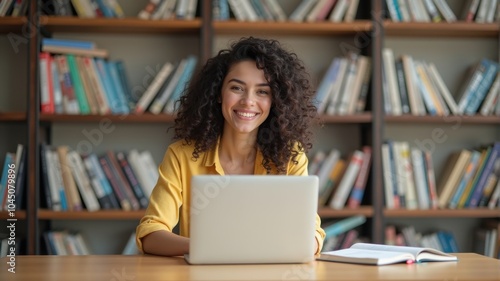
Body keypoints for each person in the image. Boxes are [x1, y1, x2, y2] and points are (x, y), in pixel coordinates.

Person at [136, 37, 326, 257]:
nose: (248, 101)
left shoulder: (290, 157)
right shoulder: (182, 155)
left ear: (276, 101)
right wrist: (207, 247)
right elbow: (150, 233)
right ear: (218, 93)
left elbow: (311, 234)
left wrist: (302, 243)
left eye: (262, 92)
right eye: (237, 88)